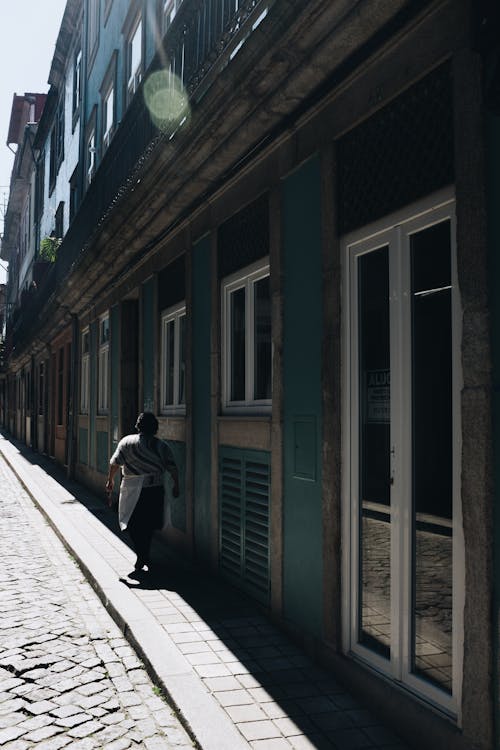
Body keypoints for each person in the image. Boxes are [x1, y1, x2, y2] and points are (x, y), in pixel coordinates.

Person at [105, 412, 179, 573]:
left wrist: (110, 480)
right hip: (154, 490)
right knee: (148, 524)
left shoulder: (126, 442)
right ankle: (143, 553)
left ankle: (141, 553)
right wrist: (176, 484)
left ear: (138, 426)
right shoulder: (161, 446)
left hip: (131, 489)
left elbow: (115, 463)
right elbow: (172, 467)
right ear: (155, 427)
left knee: (133, 524)